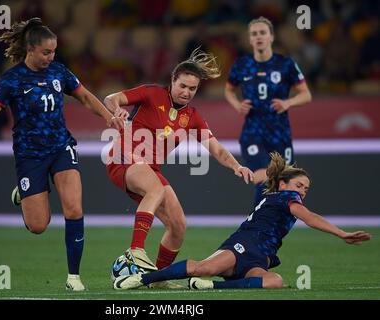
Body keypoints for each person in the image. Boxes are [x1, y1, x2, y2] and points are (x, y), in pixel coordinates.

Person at [0, 18, 127, 291]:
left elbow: (85, 96)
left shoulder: (59, 72)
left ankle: (73, 277)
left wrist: (109, 118)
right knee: (38, 226)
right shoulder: (11, 80)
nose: (51, 57)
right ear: (31, 49)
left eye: (54, 52)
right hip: (30, 156)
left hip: (61, 147)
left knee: (74, 208)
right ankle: (25, 193)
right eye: (46, 52)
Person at [104, 48, 254, 288]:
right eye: (182, 86)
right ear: (172, 81)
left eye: (192, 89)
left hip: (148, 169)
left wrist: (237, 166)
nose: (186, 92)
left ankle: (158, 279)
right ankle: (135, 250)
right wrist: (116, 110)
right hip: (123, 158)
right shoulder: (152, 93)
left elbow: (216, 149)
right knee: (156, 189)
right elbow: (111, 98)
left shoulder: (192, 117)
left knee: (178, 225)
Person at [113, 152, 372, 290]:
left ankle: (209, 287)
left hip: (259, 256)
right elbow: (310, 218)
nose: (303, 191)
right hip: (244, 244)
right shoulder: (285, 198)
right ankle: (142, 279)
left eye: (306, 188)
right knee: (203, 267)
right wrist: (341, 234)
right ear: (284, 184)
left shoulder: (282, 198)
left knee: (275, 282)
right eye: (299, 185)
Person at [224, 17, 312, 207]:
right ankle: (255, 225)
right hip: (253, 133)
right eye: (254, 34)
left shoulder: (286, 64)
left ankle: (262, 227)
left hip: (280, 133)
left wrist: (289, 102)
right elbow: (228, 90)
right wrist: (237, 105)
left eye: (262, 32)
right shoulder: (242, 65)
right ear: (249, 39)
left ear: (271, 37)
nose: (258, 37)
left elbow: (306, 95)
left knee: (282, 185)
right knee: (263, 177)